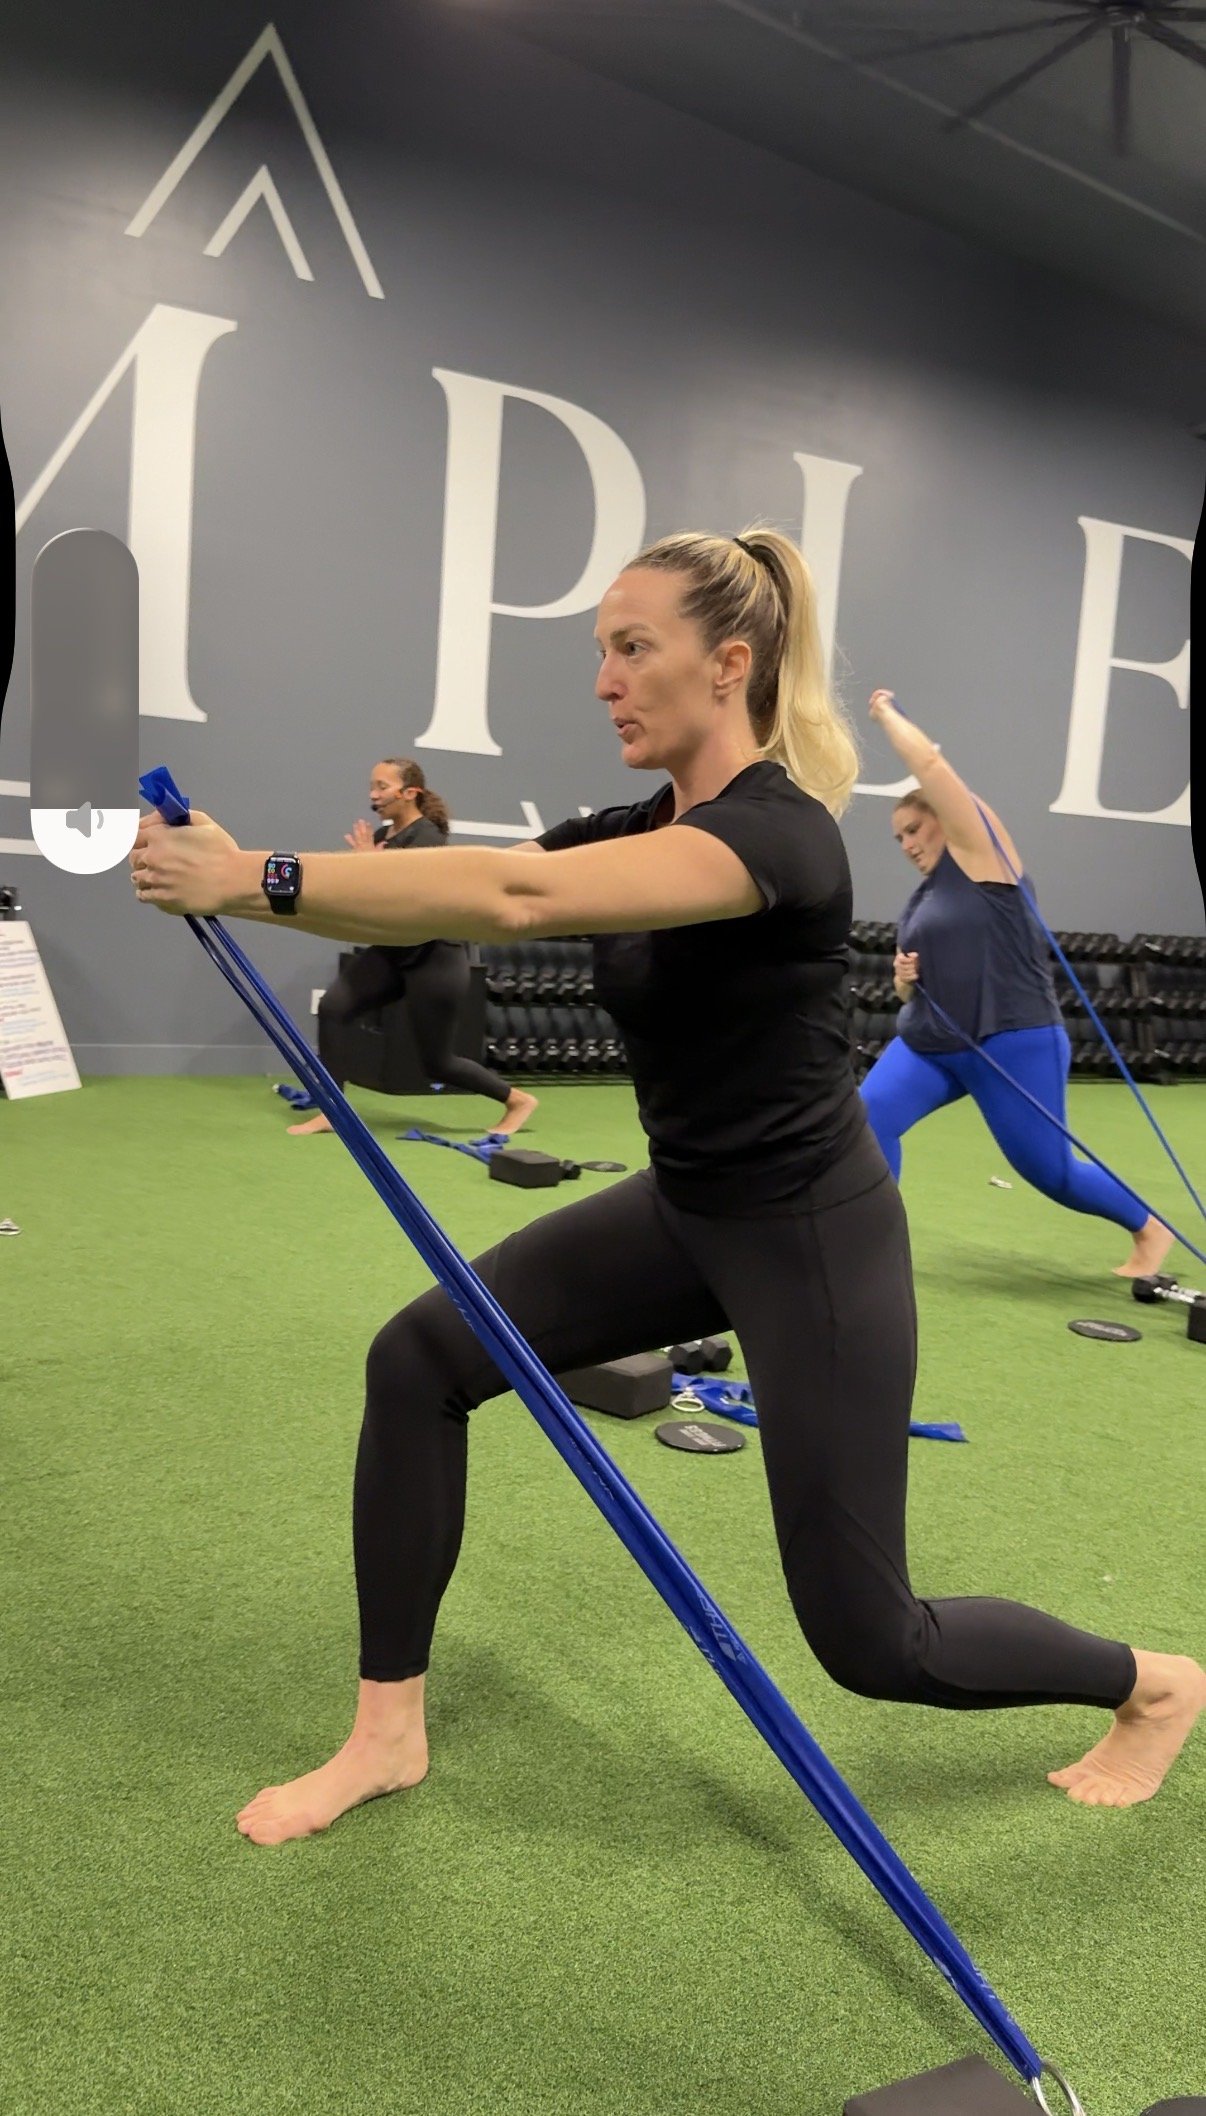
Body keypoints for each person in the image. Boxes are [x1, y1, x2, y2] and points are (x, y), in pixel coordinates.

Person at [130, 527, 1205, 1845]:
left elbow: (520, 897)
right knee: (419, 1361)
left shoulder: (782, 839)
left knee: (869, 1638)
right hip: (688, 1207)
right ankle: (385, 1731)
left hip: (809, 1235)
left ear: (728, 665)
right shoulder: (641, 827)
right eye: (602, 651)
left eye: (630, 647)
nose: (604, 678)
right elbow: (441, 903)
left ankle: (1150, 1684)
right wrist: (251, 883)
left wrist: (257, 877)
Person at [859, 692, 1174, 1280]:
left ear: (942, 816)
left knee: (1047, 1169)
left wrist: (886, 715)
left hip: (1012, 1040)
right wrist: (905, 983)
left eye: (914, 827)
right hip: (932, 1042)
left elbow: (930, 767)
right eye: (896, 837)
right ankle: (879, 1252)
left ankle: (1150, 1228)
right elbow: (913, 992)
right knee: (869, 1115)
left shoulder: (984, 856)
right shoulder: (922, 899)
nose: (906, 843)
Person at [285, 756, 536, 1139]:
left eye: (382, 787)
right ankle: (332, 1111)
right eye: (372, 787)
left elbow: (412, 897)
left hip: (435, 959)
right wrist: (357, 871)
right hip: (393, 951)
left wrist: (370, 867)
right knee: (335, 1008)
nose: (374, 795)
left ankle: (517, 1100)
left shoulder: (429, 838)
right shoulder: (384, 839)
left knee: (436, 1063)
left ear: (410, 793)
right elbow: (372, 901)